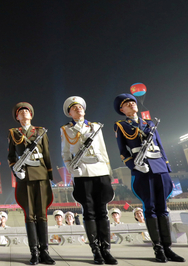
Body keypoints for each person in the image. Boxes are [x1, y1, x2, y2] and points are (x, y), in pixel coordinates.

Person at [113, 94, 184, 263]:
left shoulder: (149, 124)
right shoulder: (121, 125)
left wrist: (167, 166)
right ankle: (158, 248)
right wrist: (133, 166)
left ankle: (168, 248)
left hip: (159, 167)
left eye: (133, 102)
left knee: (163, 208)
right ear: (122, 110)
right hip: (142, 168)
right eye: (127, 104)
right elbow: (123, 151)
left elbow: (160, 145)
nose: (131, 105)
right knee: (150, 208)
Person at [61, 96, 117, 265]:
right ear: (69, 113)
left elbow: (103, 150)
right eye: (74, 108)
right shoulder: (66, 130)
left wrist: (109, 171)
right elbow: (65, 153)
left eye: (80, 107)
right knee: (89, 212)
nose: (78, 109)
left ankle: (106, 250)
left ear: (84, 110)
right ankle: (96, 251)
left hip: (100, 171)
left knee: (102, 211)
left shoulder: (96, 127)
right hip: (82, 173)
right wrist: (71, 169)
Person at [8, 102, 55, 265]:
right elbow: (11, 156)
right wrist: (15, 170)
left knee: (41, 214)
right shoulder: (14, 133)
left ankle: (45, 251)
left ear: (31, 115)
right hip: (25, 176)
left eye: (26, 111)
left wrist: (50, 174)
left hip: (41, 173)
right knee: (29, 215)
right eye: (20, 112)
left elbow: (47, 153)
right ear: (17, 117)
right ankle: (34, 252)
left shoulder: (41, 131)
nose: (24, 113)